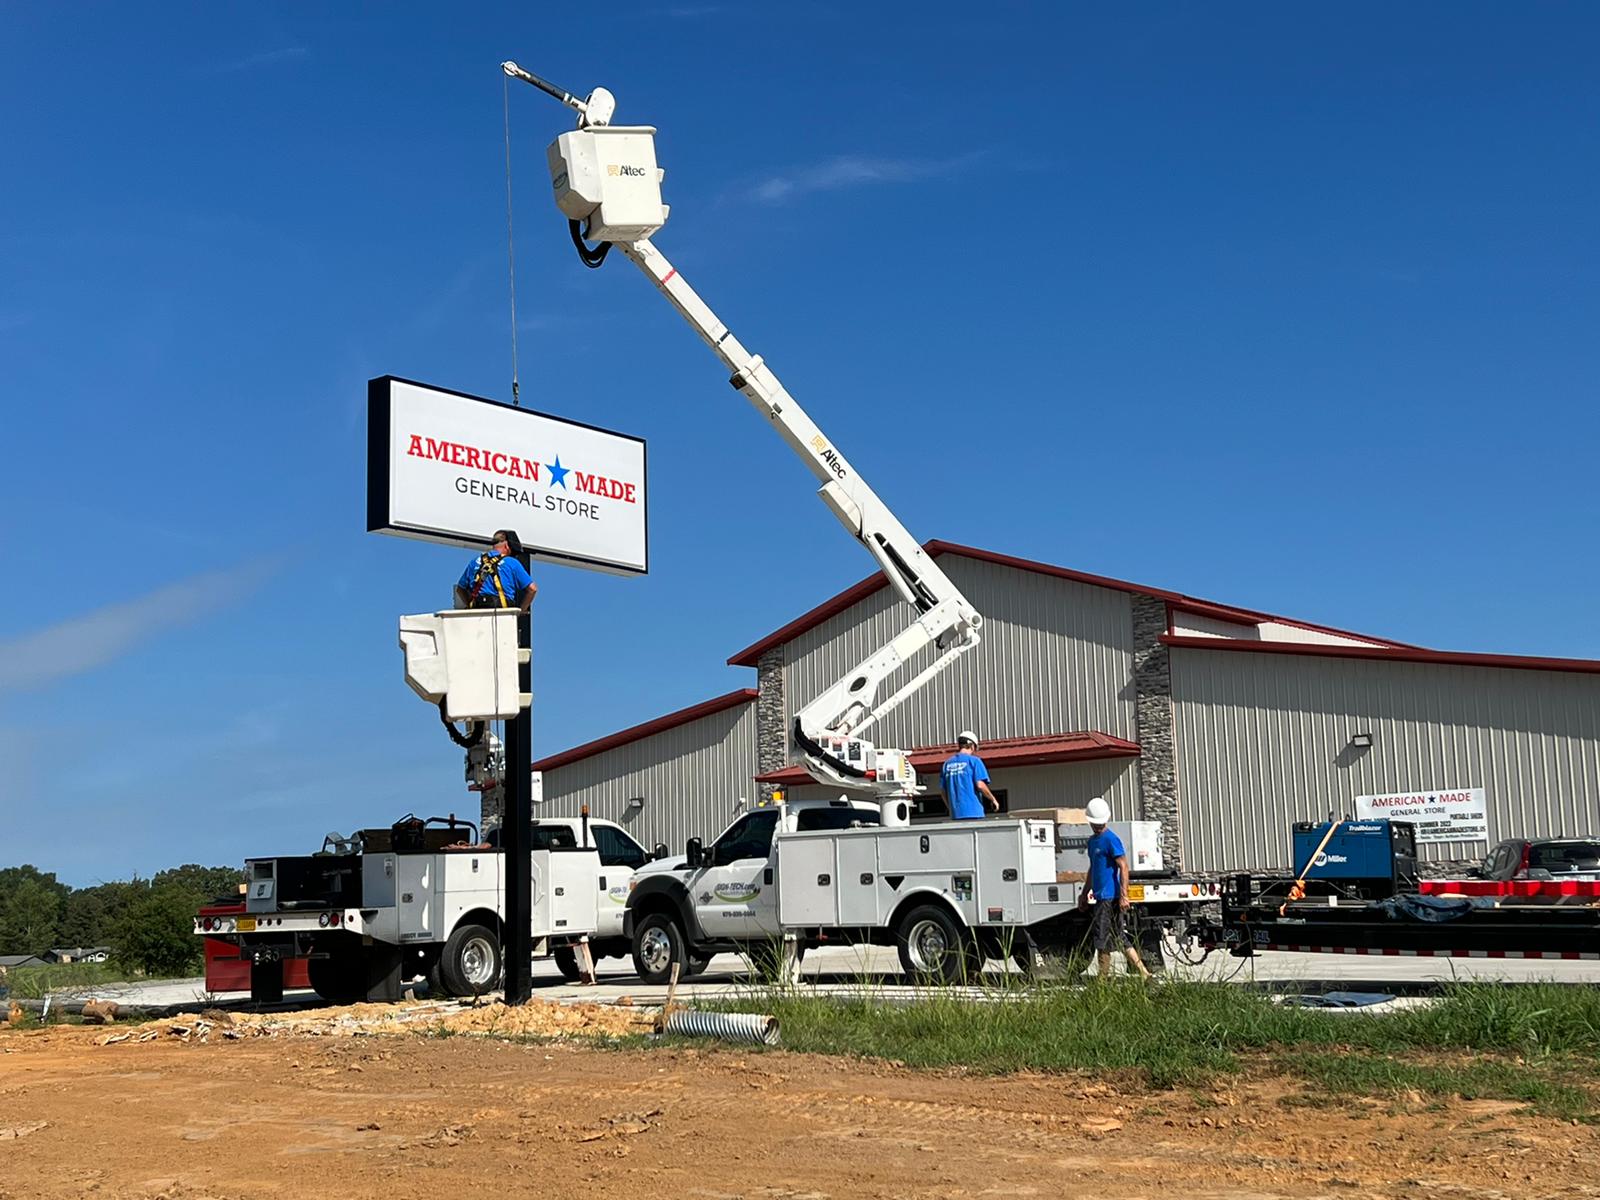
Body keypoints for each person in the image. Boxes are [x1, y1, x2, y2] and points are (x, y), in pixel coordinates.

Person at [1078, 796, 1152, 980]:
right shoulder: (1092, 842)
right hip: (1100, 896)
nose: (1098, 826)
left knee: (1101, 938)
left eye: (1100, 823)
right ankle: (1143, 972)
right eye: (1095, 823)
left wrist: (1124, 895)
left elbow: (1124, 866)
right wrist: (1085, 892)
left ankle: (1102, 980)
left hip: (1110, 896)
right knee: (1118, 935)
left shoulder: (1111, 839)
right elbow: (1093, 868)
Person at [454, 530, 537, 612]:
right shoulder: (512, 562)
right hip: (503, 614)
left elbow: (460, 589)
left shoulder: (475, 561)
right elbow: (532, 589)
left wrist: (470, 607)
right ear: (507, 546)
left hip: (477, 612)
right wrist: (522, 610)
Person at [940, 730, 999, 820]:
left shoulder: (947, 764)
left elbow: (943, 791)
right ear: (971, 745)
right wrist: (993, 799)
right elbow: (980, 785)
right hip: (974, 813)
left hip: (956, 815)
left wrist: (951, 808)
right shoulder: (974, 761)